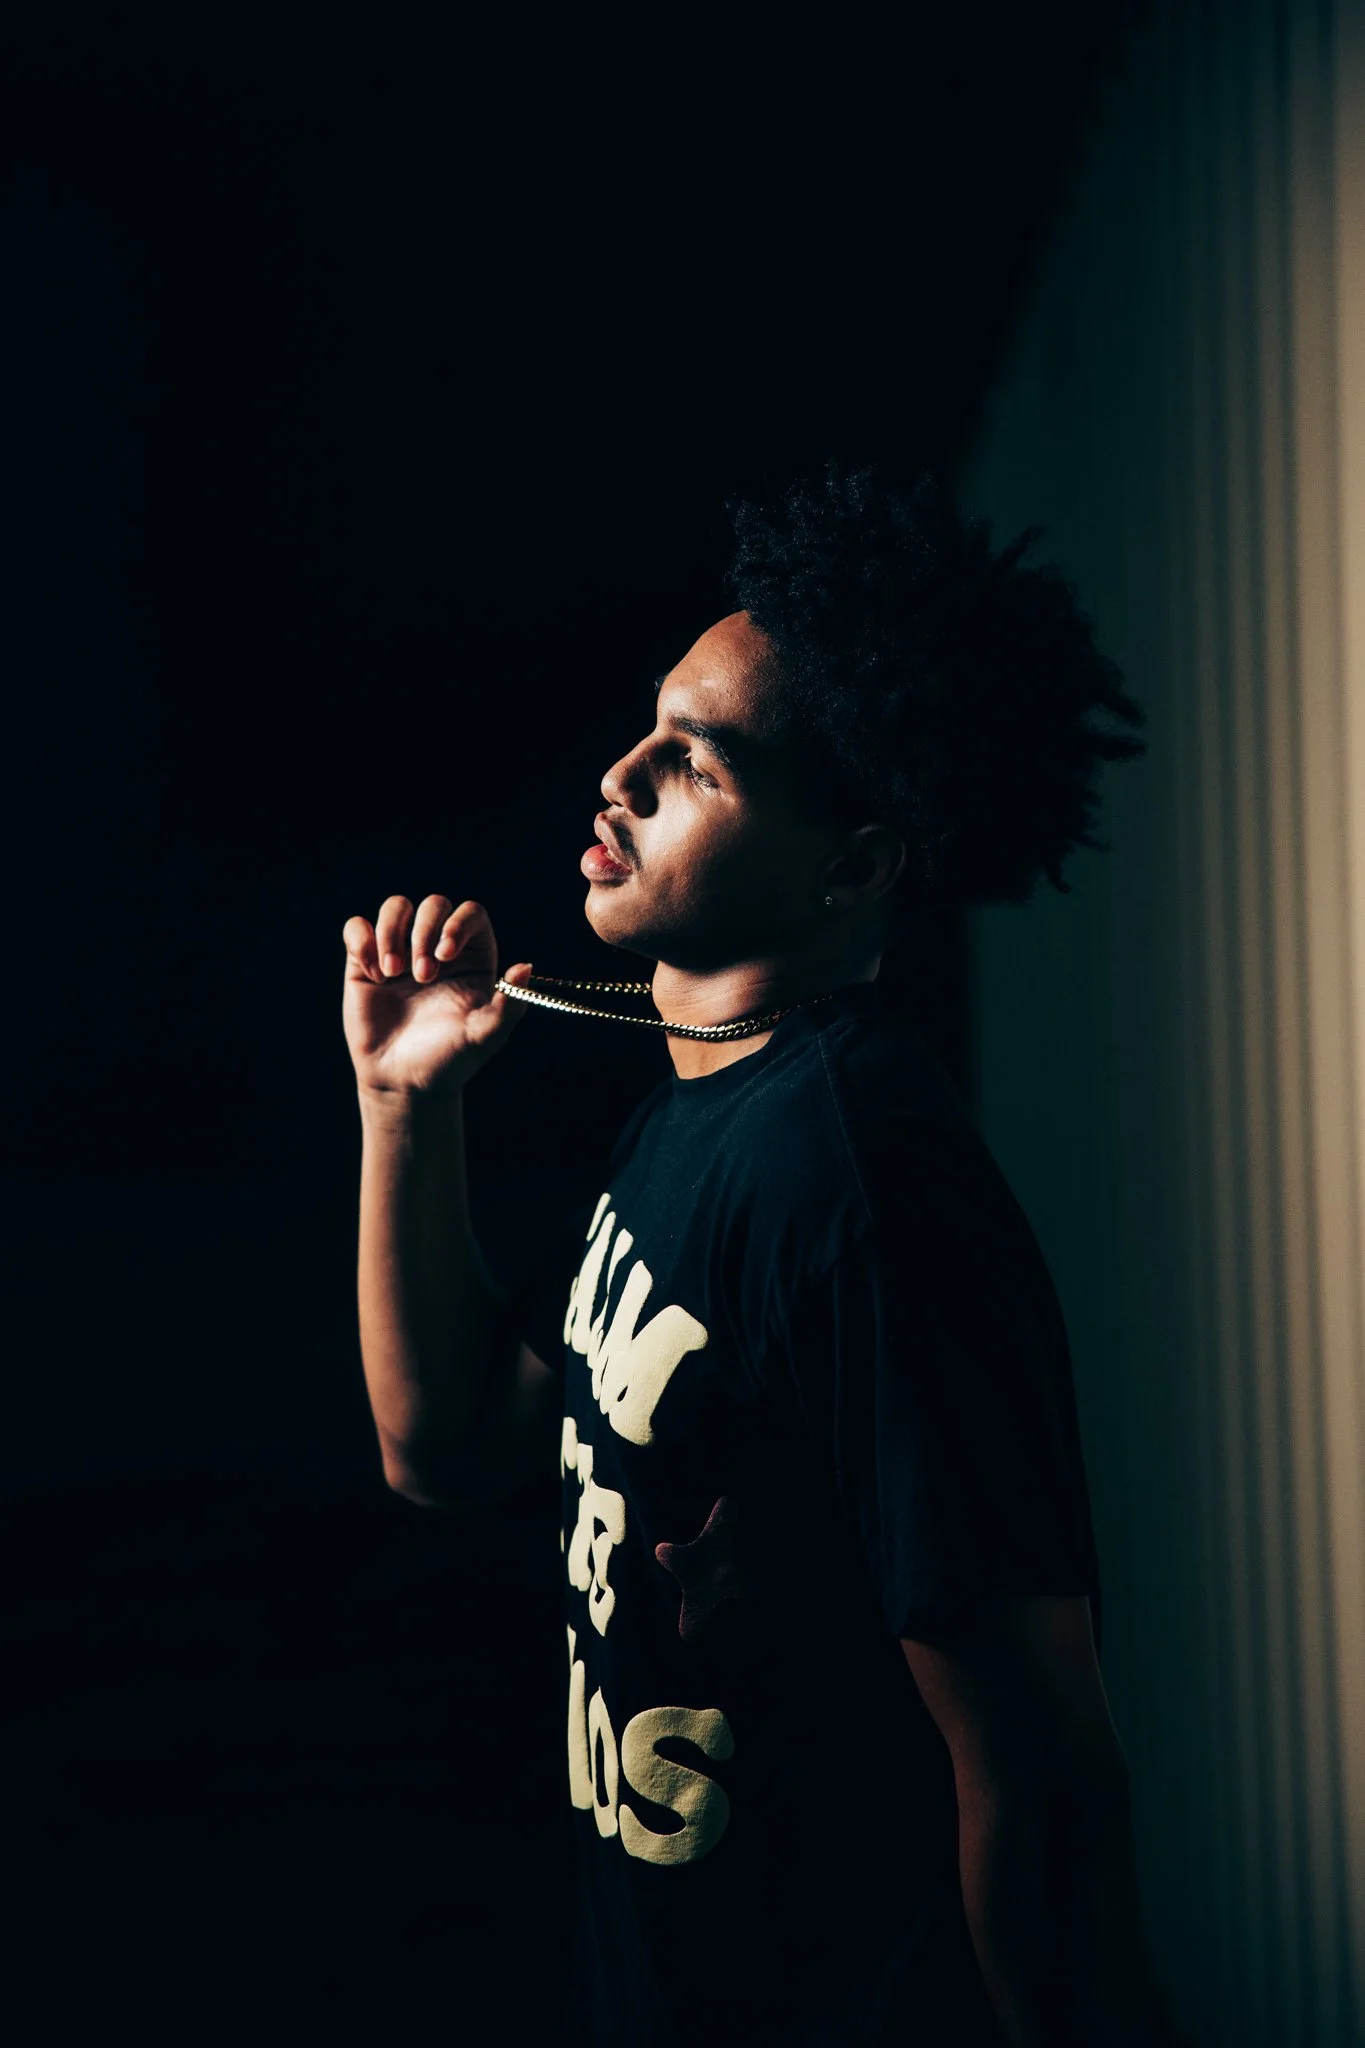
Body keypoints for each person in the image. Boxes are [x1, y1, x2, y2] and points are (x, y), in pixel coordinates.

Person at [342, 462, 1183, 2046]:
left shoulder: (857, 1185)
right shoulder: (697, 1119)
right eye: (647, 727)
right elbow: (442, 1449)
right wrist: (403, 1107)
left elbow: (1041, 1773)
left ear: (854, 867)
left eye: (697, 765)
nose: (621, 773)